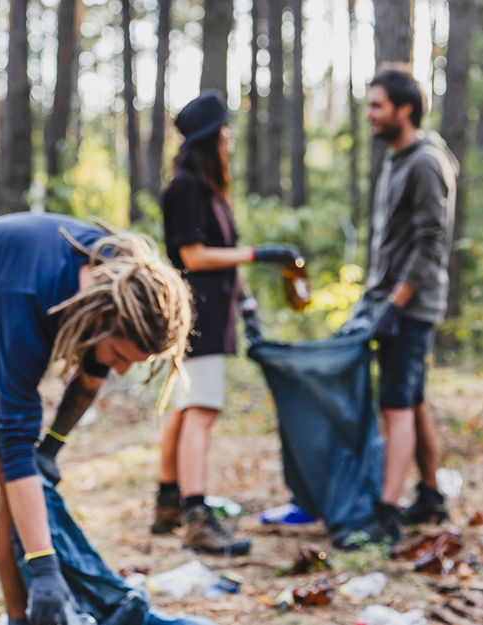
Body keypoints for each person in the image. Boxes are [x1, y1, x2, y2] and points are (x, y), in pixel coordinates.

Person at [0, 213, 192, 625]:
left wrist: (50, 448)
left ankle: (21, 618)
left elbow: (89, 377)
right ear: (103, 320)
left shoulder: (111, 280)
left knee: (17, 481)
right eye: (121, 357)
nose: (120, 371)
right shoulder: (31, 297)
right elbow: (17, 445)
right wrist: (46, 570)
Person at [152, 90, 301, 555]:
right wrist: (261, 255)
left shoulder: (206, 188)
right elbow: (193, 256)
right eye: (224, 129)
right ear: (210, 137)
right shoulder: (186, 187)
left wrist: (248, 302)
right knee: (201, 411)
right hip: (197, 315)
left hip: (215, 311)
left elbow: (220, 259)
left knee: (187, 408)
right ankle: (197, 517)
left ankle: (168, 502)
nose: (230, 136)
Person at [332, 68, 460, 549]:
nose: (370, 114)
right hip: (388, 301)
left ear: (405, 110)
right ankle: (430, 494)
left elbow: (431, 242)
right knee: (413, 399)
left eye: (377, 106)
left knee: (396, 406)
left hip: (409, 307)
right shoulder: (396, 157)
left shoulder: (426, 162)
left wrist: (394, 305)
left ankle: (385, 514)